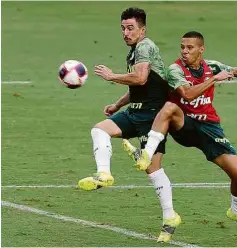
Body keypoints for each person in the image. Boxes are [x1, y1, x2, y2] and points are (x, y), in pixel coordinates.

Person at [123, 31, 237, 236]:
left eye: (190, 47)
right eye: (182, 47)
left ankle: (236, 212)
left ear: (201, 50)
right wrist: (214, 80)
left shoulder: (211, 67)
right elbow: (187, 94)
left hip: (209, 128)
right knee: (169, 108)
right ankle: (147, 153)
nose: (184, 51)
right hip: (184, 125)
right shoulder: (175, 70)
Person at [77, 7, 187, 243]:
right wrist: (117, 105)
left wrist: (111, 76)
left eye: (130, 28)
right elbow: (137, 87)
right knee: (99, 129)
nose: (126, 33)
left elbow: (140, 78)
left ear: (142, 29)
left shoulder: (145, 46)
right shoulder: (134, 52)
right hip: (135, 111)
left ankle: (170, 217)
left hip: (152, 117)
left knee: (153, 170)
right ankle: (104, 174)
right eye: (123, 28)